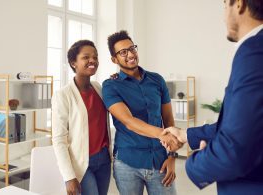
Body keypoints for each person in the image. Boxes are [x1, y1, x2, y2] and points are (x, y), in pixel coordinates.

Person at [163, 0, 263, 194]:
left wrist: (193, 163)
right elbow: (245, 124)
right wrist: (186, 135)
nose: (223, 16)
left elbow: (235, 152)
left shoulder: (254, 51)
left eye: (225, 5)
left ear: (239, 5)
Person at [102, 30, 180, 195]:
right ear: (114, 59)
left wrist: (172, 156)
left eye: (132, 48)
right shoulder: (110, 86)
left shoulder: (157, 80)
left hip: (160, 161)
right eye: (123, 52)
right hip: (127, 164)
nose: (130, 54)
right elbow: (129, 122)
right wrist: (162, 134)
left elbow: (168, 119)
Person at [52, 40, 112, 195]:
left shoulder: (99, 88)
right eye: (86, 57)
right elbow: (59, 139)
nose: (92, 60)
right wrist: (68, 177)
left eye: (95, 57)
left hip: (104, 159)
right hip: (82, 163)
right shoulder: (62, 95)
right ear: (74, 63)